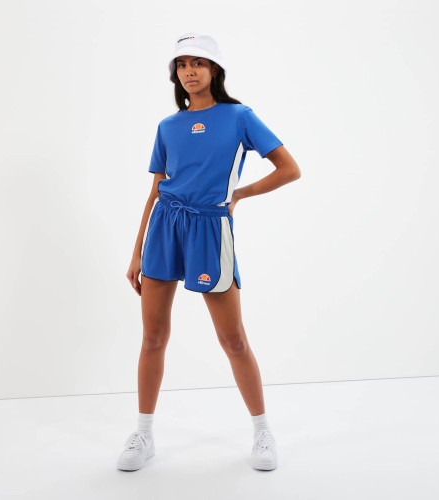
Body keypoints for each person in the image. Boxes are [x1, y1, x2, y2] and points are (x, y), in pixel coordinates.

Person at [117, 32, 301, 472]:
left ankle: (262, 431)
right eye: (181, 65)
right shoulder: (167, 126)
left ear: (214, 69)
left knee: (233, 338)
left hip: (209, 229)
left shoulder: (239, 116)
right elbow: (156, 190)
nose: (189, 72)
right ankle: (143, 434)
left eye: (198, 63)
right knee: (153, 337)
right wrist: (137, 250)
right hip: (164, 227)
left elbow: (289, 169)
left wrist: (239, 194)